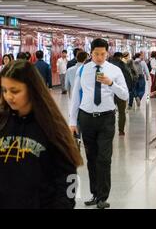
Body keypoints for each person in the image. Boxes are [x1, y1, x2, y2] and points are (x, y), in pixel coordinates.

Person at [0, 60, 83, 208]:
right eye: (4, 90)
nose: (8, 96)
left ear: (32, 89)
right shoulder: (2, 122)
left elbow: (69, 178)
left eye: (15, 91)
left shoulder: (52, 127)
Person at [69, 38, 128, 209]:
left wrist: (111, 83)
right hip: (86, 118)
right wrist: (72, 121)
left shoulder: (115, 70)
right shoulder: (82, 70)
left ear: (107, 53)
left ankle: (103, 197)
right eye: (96, 54)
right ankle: (94, 193)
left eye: (103, 54)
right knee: (91, 157)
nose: (100, 57)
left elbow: (124, 95)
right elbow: (75, 97)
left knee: (104, 158)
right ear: (91, 53)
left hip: (106, 119)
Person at [110, 52, 133, 136]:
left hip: (110, 91)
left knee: (110, 111)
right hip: (121, 91)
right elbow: (129, 76)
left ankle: (110, 129)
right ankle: (121, 131)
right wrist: (128, 89)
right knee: (122, 112)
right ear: (120, 57)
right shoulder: (123, 65)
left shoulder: (108, 65)